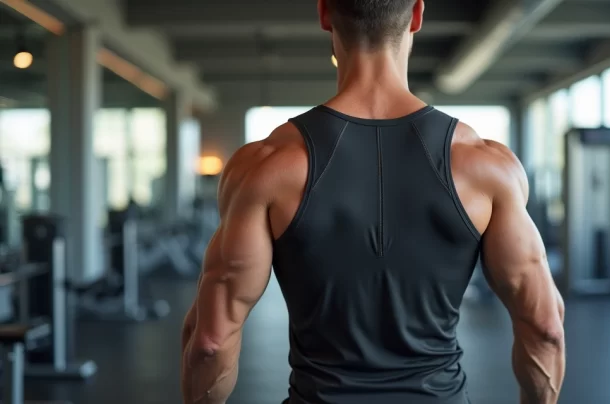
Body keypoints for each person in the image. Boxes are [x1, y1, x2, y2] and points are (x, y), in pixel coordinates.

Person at [180, 1, 566, 403]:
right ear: (417, 14)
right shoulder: (487, 167)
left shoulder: (264, 166)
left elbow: (211, 341)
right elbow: (545, 329)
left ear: (325, 13)